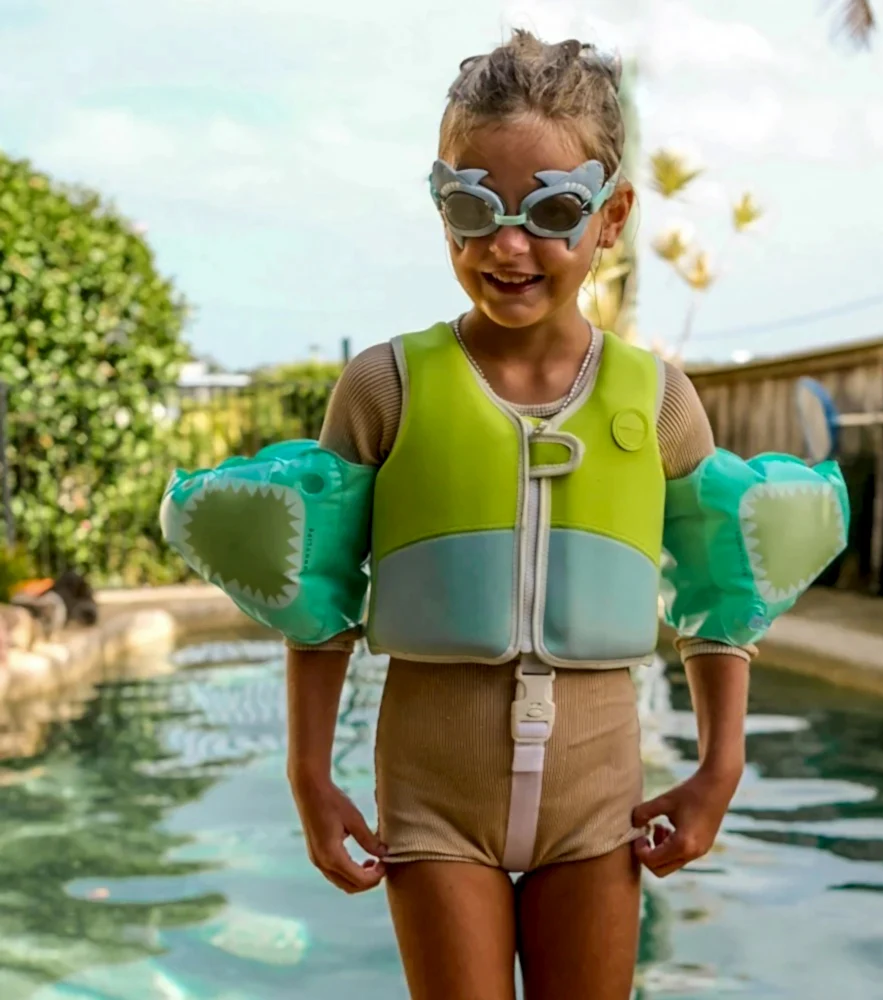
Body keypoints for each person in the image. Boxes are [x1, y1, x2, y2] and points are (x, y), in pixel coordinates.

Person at [162, 29, 848, 1000]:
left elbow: (722, 590)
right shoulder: (386, 387)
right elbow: (316, 598)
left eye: (552, 211)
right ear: (440, 203)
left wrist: (718, 769)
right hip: (436, 803)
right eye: (472, 208)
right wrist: (308, 775)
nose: (507, 245)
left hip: (595, 808)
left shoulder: (657, 400)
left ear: (611, 217)